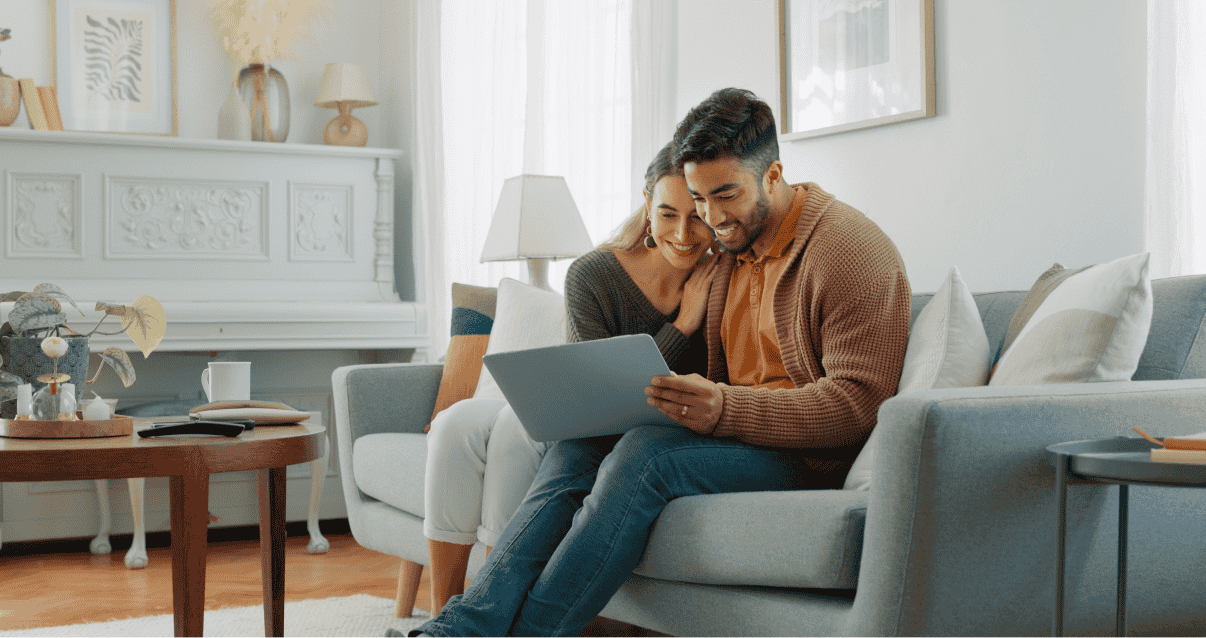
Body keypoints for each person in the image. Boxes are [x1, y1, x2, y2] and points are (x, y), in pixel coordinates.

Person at [399, 87, 911, 638]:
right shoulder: (731, 249)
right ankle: (458, 629)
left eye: (725, 196)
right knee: (580, 446)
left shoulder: (847, 250)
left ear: (773, 174)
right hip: (736, 434)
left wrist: (722, 407)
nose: (711, 219)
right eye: (698, 198)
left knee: (647, 454)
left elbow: (859, 405)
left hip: (810, 454)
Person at [419, 141, 717, 615]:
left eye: (697, 215)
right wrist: (681, 328)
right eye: (667, 214)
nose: (683, 233)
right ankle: (450, 615)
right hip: (593, 425)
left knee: (526, 442)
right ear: (646, 205)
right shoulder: (594, 275)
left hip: (661, 433)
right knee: (481, 432)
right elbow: (597, 400)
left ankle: (469, 624)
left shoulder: (722, 276)